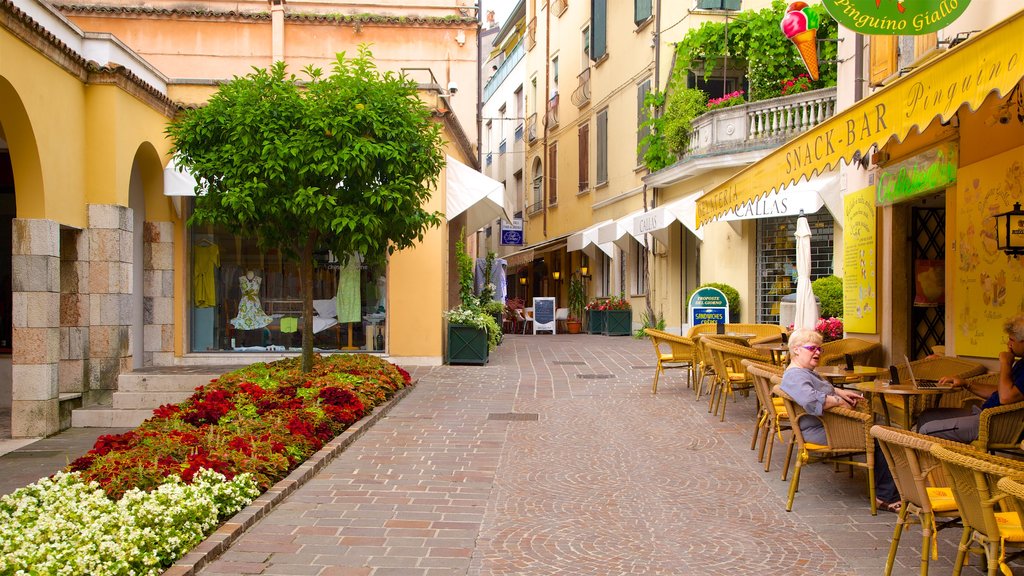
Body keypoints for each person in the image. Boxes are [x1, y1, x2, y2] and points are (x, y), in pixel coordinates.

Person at [779, 329, 901, 512]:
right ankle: (885, 497)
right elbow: (810, 400)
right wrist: (839, 402)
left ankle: (892, 489)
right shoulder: (796, 375)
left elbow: (818, 388)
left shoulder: (803, 371)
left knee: (883, 432)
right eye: (812, 348)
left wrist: (838, 391)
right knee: (882, 438)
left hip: (828, 425)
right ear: (796, 350)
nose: (818, 352)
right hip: (825, 430)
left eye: (819, 348)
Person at [917, 315, 1024, 442]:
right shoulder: (1021, 363)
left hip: (997, 424)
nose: (1008, 344)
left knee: (927, 430)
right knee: (926, 416)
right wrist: (966, 383)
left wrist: (1005, 363)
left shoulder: (1013, 363)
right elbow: (1002, 392)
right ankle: (930, 461)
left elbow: (1006, 397)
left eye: (1012, 340)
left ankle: (933, 460)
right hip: (985, 415)